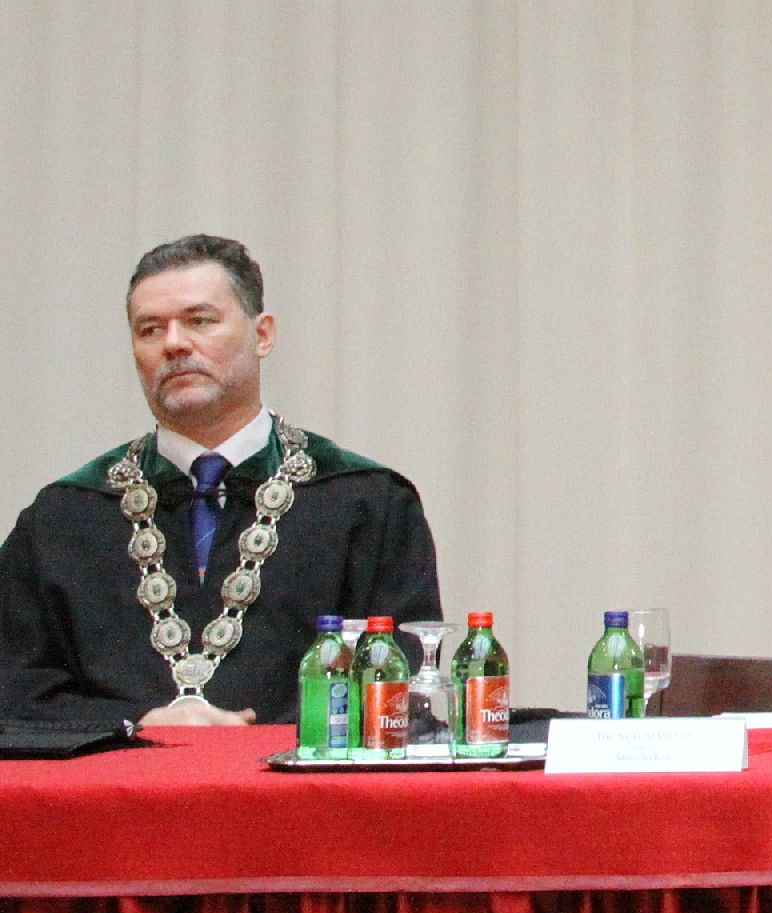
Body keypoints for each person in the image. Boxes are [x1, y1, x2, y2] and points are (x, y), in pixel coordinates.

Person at [0, 236, 441, 728]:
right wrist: (137, 723)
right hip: (116, 775)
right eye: (150, 329)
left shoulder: (366, 504)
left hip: (294, 776)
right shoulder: (65, 518)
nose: (173, 343)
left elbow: (396, 697)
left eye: (199, 320)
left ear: (262, 335)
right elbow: (14, 691)